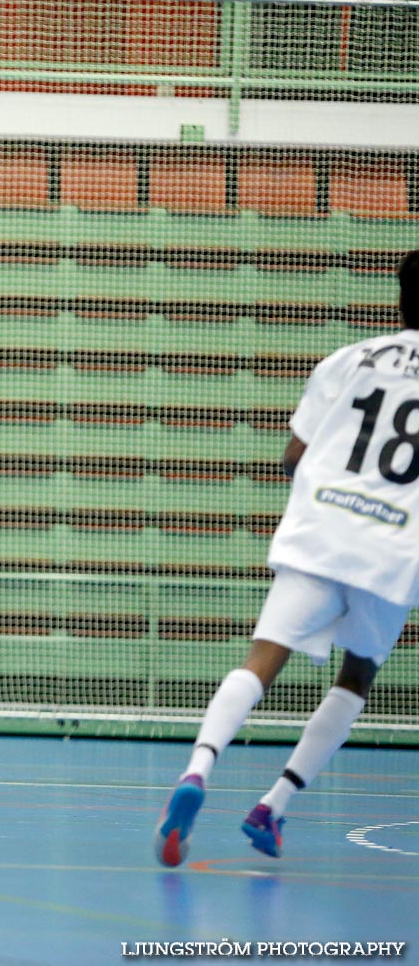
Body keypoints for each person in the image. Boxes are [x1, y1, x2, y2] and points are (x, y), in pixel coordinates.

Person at [154, 250, 419, 867]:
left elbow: (294, 455)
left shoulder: (350, 359)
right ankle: (272, 806)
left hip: (321, 528)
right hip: (391, 549)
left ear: (400, 301)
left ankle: (197, 771)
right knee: (357, 676)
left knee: (261, 658)